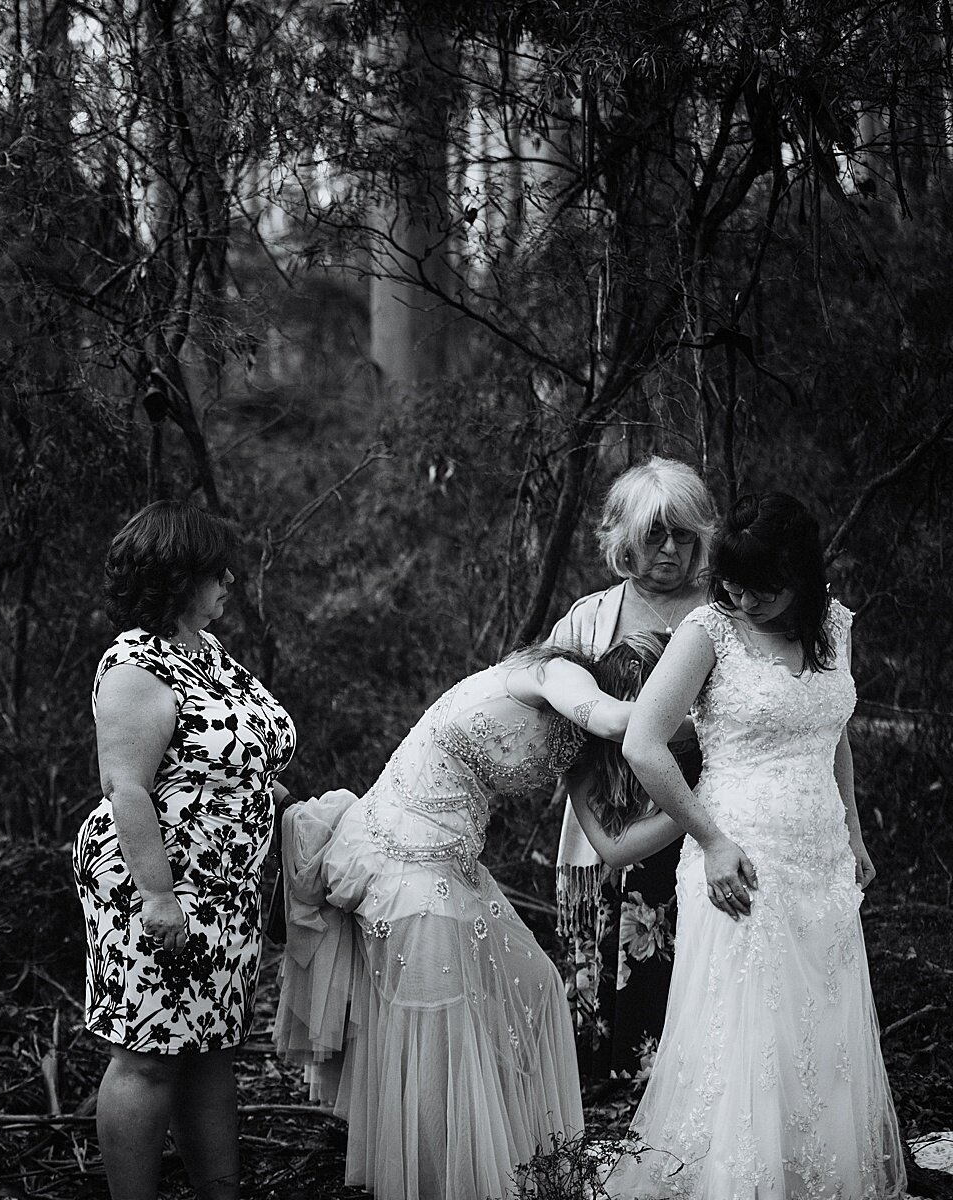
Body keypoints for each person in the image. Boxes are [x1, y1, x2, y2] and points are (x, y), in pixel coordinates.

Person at [277, 637, 681, 1200]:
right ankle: (441, 1181)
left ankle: (524, 1164)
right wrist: (701, 720)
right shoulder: (552, 673)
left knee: (538, 984)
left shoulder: (580, 747)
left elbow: (613, 848)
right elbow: (616, 720)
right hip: (399, 851)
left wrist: (694, 808)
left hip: (453, 861)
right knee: (439, 1017)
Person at [609, 492, 908, 1199]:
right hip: (738, 858)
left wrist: (854, 827)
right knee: (747, 1035)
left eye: (761, 587)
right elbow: (642, 744)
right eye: (732, 582)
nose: (742, 598)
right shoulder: (708, 631)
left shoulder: (834, 625)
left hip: (822, 857)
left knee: (820, 1029)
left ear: (802, 577)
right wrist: (710, 841)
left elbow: (832, 735)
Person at [72, 500, 296, 1200]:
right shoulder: (136, 665)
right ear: (176, 576)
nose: (229, 578)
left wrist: (300, 809)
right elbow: (127, 788)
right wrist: (161, 897)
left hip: (226, 892)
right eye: (214, 569)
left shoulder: (206, 652)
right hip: (155, 886)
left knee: (209, 1053)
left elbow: (233, 765)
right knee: (147, 1059)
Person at [549, 456, 718, 1081]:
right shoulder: (590, 618)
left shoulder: (726, 613)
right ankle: (603, 1085)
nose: (669, 549)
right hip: (605, 820)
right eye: (653, 534)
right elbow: (551, 717)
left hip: (700, 815)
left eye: (682, 535)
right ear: (624, 538)